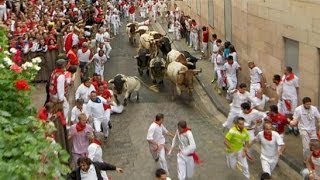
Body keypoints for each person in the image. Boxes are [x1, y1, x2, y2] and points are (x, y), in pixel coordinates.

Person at [290, 97, 320, 162]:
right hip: (303, 129)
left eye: (309, 104)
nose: (308, 105)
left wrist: (319, 123)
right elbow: (295, 120)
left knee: (315, 145)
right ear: (303, 104)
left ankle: (314, 159)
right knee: (306, 147)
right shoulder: (298, 109)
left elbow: (318, 118)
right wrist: (292, 122)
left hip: (313, 129)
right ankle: (306, 161)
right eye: (307, 104)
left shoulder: (314, 109)